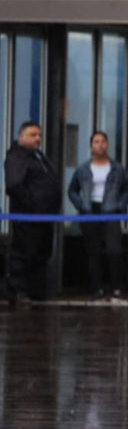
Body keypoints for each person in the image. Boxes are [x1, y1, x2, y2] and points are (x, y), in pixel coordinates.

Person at [68, 130, 128, 301]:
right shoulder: (83, 168)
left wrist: (121, 205)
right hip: (90, 211)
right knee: (94, 251)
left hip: (110, 210)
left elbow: (127, 189)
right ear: (91, 146)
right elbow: (72, 190)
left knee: (114, 250)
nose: (100, 145)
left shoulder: (117, 168)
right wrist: (80, 204)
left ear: (107, 144)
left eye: (103, 141)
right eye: (96, 142)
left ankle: (118, 288)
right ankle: (97, 288)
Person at [4, 121, 61, 304]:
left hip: (44, 218)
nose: (38, 138)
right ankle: (19, 291)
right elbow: (14, 185)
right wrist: (31, 205)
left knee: (41, 255)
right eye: (33, 135)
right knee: (23, 255)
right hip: (28, 218)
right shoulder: (17, 157)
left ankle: (37, 291)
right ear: (21, 137)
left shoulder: (39, 157)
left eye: (39, 135)